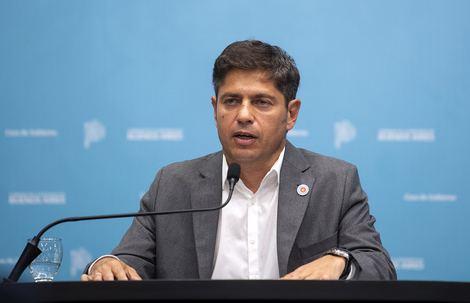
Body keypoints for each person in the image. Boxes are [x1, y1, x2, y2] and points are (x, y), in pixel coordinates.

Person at [81, 40, 396, 281]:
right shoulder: (173, 183)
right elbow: (126, 262)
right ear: (215, 110)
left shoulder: (335, 181)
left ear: (291, 114)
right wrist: (104, 264)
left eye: (261, 102)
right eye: (232, 101)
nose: (244, 115)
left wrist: (339, 261)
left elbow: (378, 265)